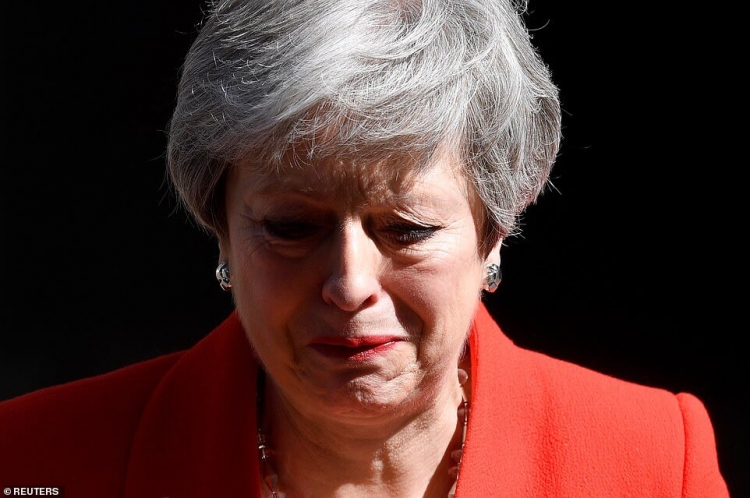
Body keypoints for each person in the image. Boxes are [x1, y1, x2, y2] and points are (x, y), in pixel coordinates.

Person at [0, 0, 730, 496]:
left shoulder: (654, 462)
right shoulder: (33, 461)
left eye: (406, 229)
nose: (349, 285)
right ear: (218, 223)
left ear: (495, 229)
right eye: (292, 227)